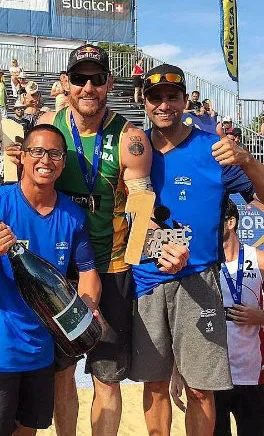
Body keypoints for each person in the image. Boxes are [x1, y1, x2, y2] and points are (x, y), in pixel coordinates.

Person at [8, 44, 154, 436]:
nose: (88, 87)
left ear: (109, 82)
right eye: (79, 78)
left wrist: (144, 258)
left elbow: (141, 207)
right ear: (65, 83)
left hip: (111, 270)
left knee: (107, 378)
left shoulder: (131, 138)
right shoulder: (48, 126)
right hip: (56, 272)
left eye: (96, 78)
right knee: (62, 373)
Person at [130, 63, 264, 436]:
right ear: (144, 101)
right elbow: (130, 214)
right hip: (147, 280)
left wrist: (249, 160)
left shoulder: (213, 149)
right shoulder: (136, 148)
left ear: (185, 99)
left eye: (172, 96)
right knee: (154, 387)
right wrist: (159, 246)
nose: (164, 104)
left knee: (201, 390)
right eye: (155, 97)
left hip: (200, 280)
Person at [0, 124, 102, 436]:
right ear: (22, 156)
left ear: (63, 162)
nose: (45, 159)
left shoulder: (72, 215)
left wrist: (87, 308)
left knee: (29, 429)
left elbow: (87, 271)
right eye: (37, 151)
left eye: (54, 153)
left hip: (43, 350)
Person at [214, 200, 264, 436]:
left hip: (252, 375)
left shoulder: (258, 259)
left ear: (231, 222)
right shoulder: (205, 263)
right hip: (214, 375)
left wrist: (260, 316)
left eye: (215, 220)